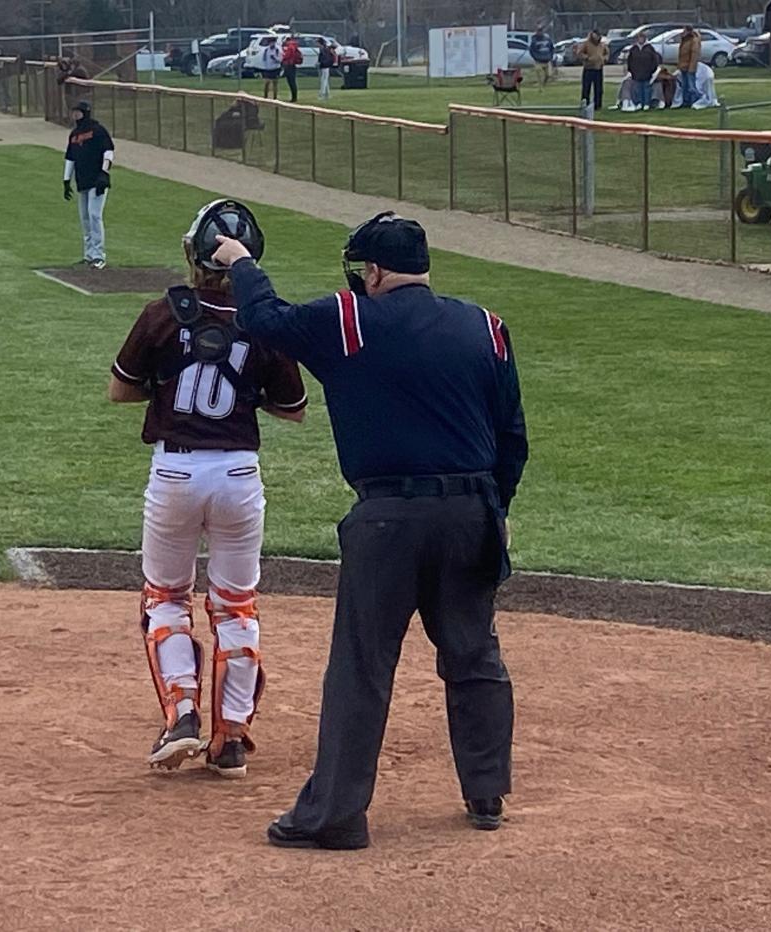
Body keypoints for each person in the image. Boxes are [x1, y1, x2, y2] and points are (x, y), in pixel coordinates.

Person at [211, 212, 528, 849]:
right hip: (472, 510)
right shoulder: (486, 327)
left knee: (362, 665)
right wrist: (495, 509)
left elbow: (265, 319)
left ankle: (337, 816)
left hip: (387, 519)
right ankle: (486, 792)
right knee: (474, 657)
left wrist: (240, 262)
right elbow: (512, 437)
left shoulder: (349, 321)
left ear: (375, 272)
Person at [109, 200, 308, 779]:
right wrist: (244, 395)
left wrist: (169, 389)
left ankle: (183, 714)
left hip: (174, 473)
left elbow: (121, 391)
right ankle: (232, 738)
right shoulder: (264, 322)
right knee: (236, 605)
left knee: (166, 597)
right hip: (239, 474)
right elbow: (293, 409)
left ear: (192, 255)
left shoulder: (160, 314)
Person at [62, 100, 114, 269]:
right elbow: (70, 158)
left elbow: (108, 151)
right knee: (85, 218)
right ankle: (89, 254)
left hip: (97, 180)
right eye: (74, 112)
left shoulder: (98, 130)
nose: (75, 115)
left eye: (78, 112)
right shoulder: (74, 134)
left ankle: (99, 256)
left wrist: (105, 172)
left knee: (94, 215)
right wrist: (66, 180)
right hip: (82, 181)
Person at [624, 32, 661, 111]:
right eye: (639, 38)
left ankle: (646, 103)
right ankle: (639, 103)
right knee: (637, 89)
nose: (640, 39)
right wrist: (631, 70)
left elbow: (654, 60)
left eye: (642, 38)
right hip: (636, 73)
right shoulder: (634, 49)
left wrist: (652, 70)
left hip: (647, 73)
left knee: (646, 89)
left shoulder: (650, 48)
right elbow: (630, 60)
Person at [576, 30, 608, 110]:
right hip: (589, 68)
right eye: (595, 35)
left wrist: (604, 59)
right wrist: (587, 58)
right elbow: (579, 53)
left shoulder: (602, 44)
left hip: (599, 68)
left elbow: (606, 53)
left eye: (598, 35)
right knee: (586, 88)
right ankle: (585, 104)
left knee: (599, 89)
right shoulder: (586, 44)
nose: (596, 37)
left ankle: (598, 105)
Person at [677, 26, 702, 107]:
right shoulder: (684, 40)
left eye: (684, 30)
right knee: (684, 86)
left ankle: (696, 100)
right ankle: (686, 101)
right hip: (683, 66)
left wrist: (691, 68)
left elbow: (694, 55)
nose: (683, 32)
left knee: (691, 86)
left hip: (689, 67)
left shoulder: (693, 40)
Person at [528, 26, 554, 90]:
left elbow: (551, 48)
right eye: (539, 31)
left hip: (547, 60)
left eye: (541, 31)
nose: (540, 32)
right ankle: (540, 88)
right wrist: (536, 57)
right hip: (538, 61)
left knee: (548, 75)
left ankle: (544, 84)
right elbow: (532, 50)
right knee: (540, 74)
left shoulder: (547, 39)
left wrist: (551, 56)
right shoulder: (534, 40)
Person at [259, 36, 282, 100]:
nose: (272, 44)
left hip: (275, 69)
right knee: (266, 83)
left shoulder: (278, 50)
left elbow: (280, 59)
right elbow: (264, 59)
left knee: (275, 83)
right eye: (270, 42)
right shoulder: (266, 50)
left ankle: (275, 97)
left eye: (273, 42)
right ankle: (265, 97)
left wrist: (275, 58)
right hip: (268, 69)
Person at [281, 35, 302, 103]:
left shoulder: (290, 47)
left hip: (289, 65)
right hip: (292, 65)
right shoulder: (294, 46)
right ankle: (294, 97)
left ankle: (294, 97)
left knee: (291, 82)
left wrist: (283, 58)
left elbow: (288, 55)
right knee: (292, 82)